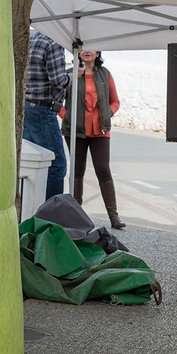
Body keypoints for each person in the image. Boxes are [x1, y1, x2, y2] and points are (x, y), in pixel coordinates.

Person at [62, 50, 125, 229]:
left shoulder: (105, 74)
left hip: (100, 131)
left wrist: (107, 114)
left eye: (92, 48)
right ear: (78, 52)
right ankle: (76, 216)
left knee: (103, 169)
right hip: (75, 132)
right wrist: (67, 118)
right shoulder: (70, 75)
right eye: (83, 48)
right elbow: (59, 98)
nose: (87, 51)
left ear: (98, 53)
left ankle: (114, 216)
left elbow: (115, 102)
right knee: (77, 170)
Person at [23, 30, 70, 202]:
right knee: (56, 165)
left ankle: (31, 210)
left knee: (30, 163)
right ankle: (51, 215)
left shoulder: (32, 37)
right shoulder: (54, 42)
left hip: (28, 106)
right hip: (43, 109)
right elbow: (58, 79)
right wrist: (71, 77)